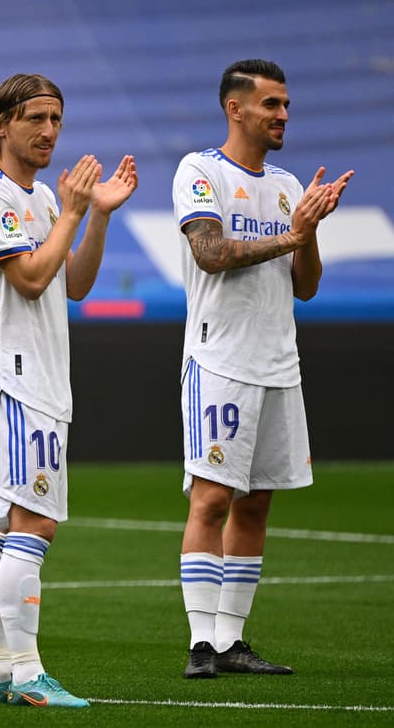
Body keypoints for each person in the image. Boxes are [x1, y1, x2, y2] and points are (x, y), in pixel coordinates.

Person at [0, 74, 136, 708]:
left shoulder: (37, 198)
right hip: (13, 379)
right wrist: (70, 211)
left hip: (39, 377)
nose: (49, 131)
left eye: (57, 119)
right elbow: (31, 279)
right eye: (35, 117)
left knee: (7, 531)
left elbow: (76, 283)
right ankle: (30, 673)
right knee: (33, 522)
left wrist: (95, 217)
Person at [173, 60, 352, 680]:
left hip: (280, 363)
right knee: (213, 498)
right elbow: (212, 253)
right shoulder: (201, 171)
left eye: (285, 106)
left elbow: (306, 287)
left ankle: (232, 642)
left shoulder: (285, 184)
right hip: (220, 361)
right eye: (271, 104)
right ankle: (200, 644)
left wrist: (309, 231)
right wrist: (290, 234)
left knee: (256, 506)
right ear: (235, 109)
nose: (282, 116)